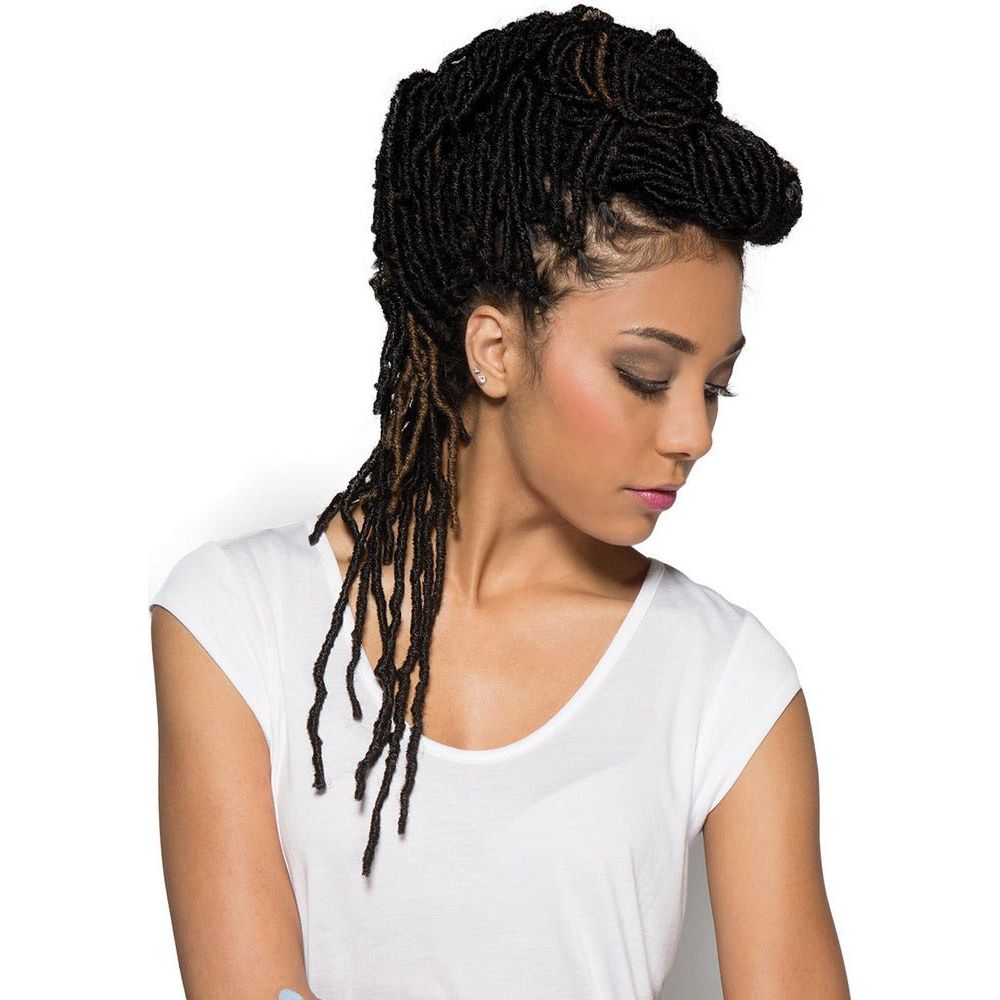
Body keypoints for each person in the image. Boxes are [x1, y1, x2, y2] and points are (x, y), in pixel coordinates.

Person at [149, 5, 851, 998]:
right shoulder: (237, 623)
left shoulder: (726, 678)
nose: (694, 432)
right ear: (494, 347)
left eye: (715, 385)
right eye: (647, 375)